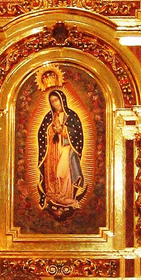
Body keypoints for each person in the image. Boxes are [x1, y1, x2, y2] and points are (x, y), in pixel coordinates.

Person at [37, 89, 86, 217]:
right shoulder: (49, 117)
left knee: (63, 173)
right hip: (52, 151)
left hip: (66, 149)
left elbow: (77, 134)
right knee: (52, 173)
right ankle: (53, 195)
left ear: (62, 100)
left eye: (56, 100)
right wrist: (51, 130)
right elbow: (42, 133)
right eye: (52, 101)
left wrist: (63, 130)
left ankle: (65, 196)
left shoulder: (72, 116)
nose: (55, 104)